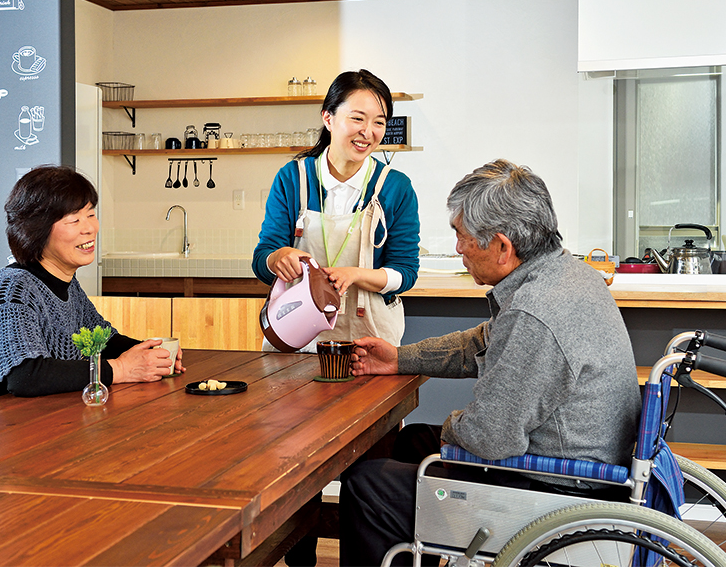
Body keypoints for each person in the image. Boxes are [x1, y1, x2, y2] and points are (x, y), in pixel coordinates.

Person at [339, 159, 642, 567]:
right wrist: (401, 358)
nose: (458, 248)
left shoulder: (536, 311)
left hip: (558, 489)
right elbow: (483, 342)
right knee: (411, 443)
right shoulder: (567, 274)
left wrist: (451, 427)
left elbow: (490, 438)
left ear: (502, 246)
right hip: (579, 461)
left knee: (366, 485)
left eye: (461, 237)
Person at [0, 165, 185, 406]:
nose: (89, 228)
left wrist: (153, 354)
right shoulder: (11, 288)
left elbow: (104, 341)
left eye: (91, 214)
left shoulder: (68, 285)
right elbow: (26, 376)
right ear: (37, 229)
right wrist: (121, 369)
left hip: (42, 421)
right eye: (74, 220)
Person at [252, 69, 420, 352]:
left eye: (379, 122)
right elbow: (262, 259)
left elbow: (405, 273)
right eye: (357, 118)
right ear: (328, 117)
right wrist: (278, 257)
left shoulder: (395, 187)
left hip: (370, 341)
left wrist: (355, 275)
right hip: (297, 335)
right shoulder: (293, 179)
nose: (368, 132)